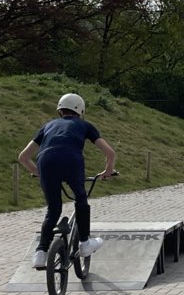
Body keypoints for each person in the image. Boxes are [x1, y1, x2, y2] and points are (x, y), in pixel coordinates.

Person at [18, 93, 117, 269]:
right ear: (81, 111)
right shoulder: (85, 125)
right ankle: (85, 243)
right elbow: (110, 152)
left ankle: (40, 253)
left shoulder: (48, 126)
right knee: (81, 200)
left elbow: (23, 157)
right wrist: (108, 171)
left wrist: (40, 173)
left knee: (53, 209)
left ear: (60, 110)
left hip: (46, 162)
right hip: (71, 160)